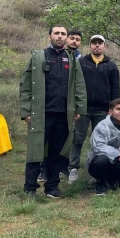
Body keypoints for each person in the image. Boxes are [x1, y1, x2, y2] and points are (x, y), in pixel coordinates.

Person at [20, 25, 86, 198]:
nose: (59, 36)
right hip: (41, 114)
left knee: (57, 152)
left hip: (63, 115)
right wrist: (25, 111)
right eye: (56, 33)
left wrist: (79, 108)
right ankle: (30, 188)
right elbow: (25, 85)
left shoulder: (71, 59)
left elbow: (79, 85)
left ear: (66, 38)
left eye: (63, 34)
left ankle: (52, 187)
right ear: (49, 36)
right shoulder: (38, 57)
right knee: (36, 151)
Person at [68, 35, 120, 184]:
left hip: (102, 109)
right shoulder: (82, 62)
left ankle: (95, 169)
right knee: (77, 138)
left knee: (99, 141)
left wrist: (113, 108)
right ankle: (73, 168)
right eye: (94, 43)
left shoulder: (111, 65)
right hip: (83, 108)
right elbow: (74, 85)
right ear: (90, 46)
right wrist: (75, 106)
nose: (97, 46)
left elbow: (115, 88)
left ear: (104, 46)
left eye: (100, 43)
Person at [87, 99, 120, 195]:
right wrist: (119, 154)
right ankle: (101, 183)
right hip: (99, 162)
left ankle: (112, 180)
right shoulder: (102, 126)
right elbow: (98, 146)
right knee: (102, 160)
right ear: (110, 111)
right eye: (118, 109)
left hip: (118, 163)